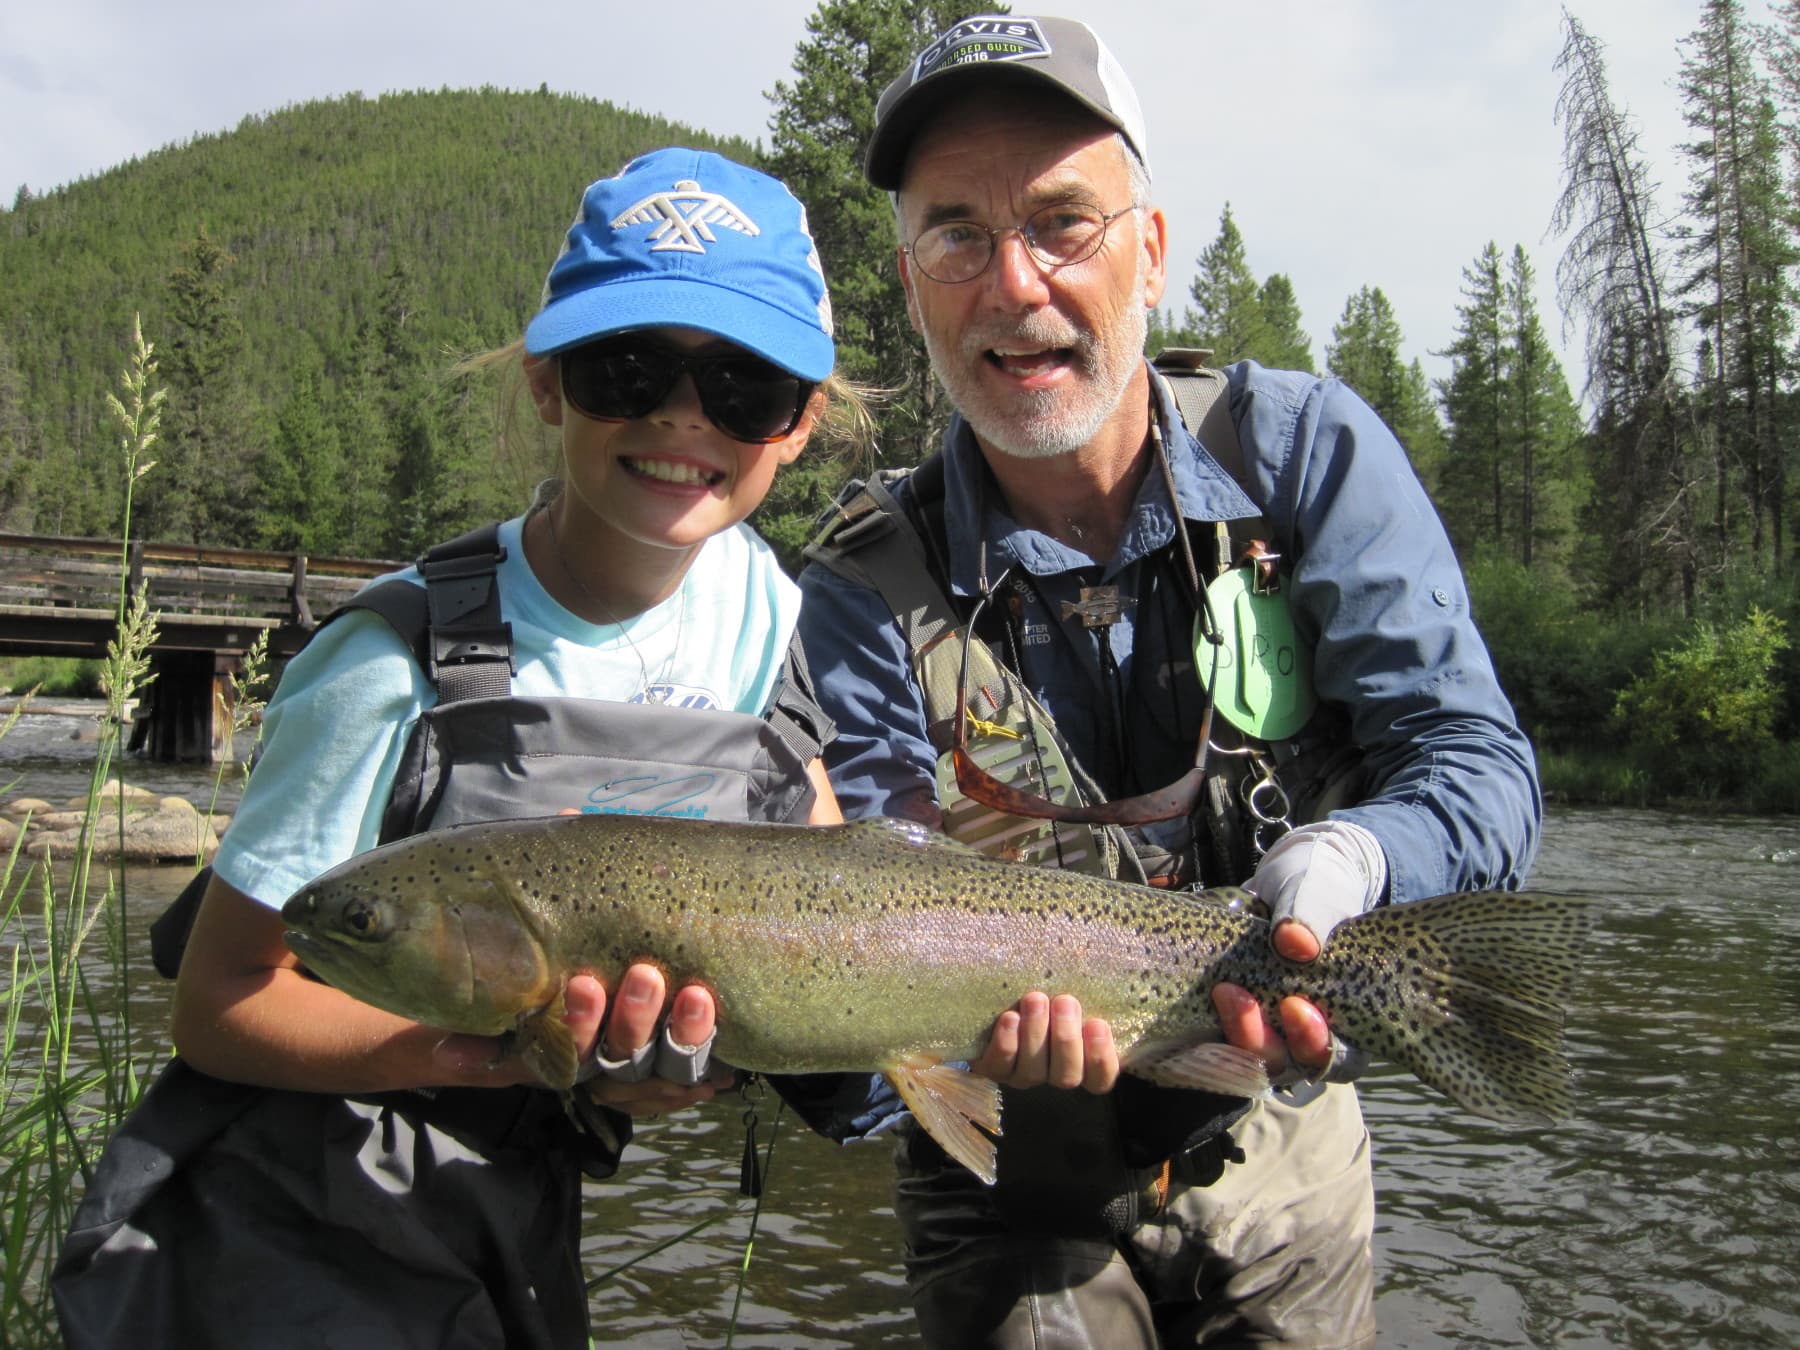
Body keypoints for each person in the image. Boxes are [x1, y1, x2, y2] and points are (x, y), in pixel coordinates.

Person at [793, 14, 1542, 1349]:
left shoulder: (1304, 455)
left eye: (1063, 222)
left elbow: (1475, 766)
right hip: (1004, 1169)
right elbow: (854, 1058)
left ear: (1149, 247)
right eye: (957, 234)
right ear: (913, 287)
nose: (1014, 282)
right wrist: (936, 1046)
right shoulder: (861, 586)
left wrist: (1360, 863)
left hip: (1279, 1116)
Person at [53, 146, 861, 1350]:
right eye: (625, 368)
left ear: (801, 425)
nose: (684, 418)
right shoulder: (386, 663)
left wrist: (680, 1067)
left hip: (517, 1214)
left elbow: (821, 908)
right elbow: (218, 1006)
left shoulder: (768, 623)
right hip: (298, 1222)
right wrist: (497, 1058)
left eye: (746, 389)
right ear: (545, 380)